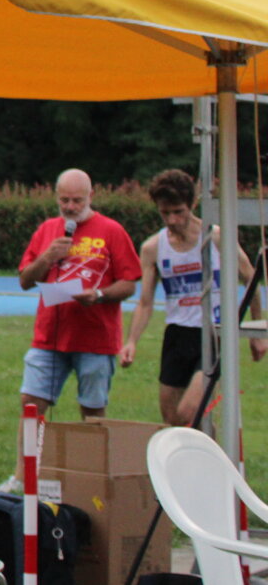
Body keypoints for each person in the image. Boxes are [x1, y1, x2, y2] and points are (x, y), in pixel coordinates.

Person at [119, 169, 262, 426]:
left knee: (189, 413)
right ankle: (196, 460)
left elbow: (251, 278)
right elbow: (145, 302)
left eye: (178, 211)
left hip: (213, 333)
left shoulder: (216, 237)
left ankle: (212, 459)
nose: (172, 220)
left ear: (192, 205)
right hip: (177, 335)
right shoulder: (153, 248)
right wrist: (131, 341)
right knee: (172, 419)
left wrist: (255, 334)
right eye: (165, 213)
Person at [17, 167, 141, 418]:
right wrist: (48, 256)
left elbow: (129, 283)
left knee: (92, 411)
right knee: (30, 404)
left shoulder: (111, 230)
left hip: (96, 339)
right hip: (49, 337)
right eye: (64, 200)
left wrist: (99, 295)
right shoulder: (47, 230)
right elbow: (25, 280)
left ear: (91, 196)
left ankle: (90, 458)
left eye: (77, 200)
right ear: (56, 197)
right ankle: (28, 459)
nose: (70, 207)